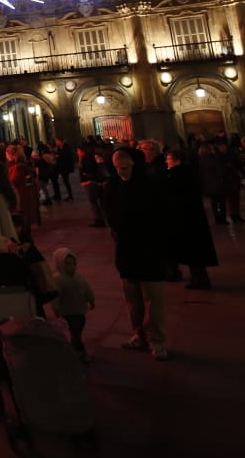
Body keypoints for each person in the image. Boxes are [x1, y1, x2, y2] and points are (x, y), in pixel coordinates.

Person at [105, 149, 171, 360]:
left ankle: (157, 341)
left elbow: (163, 216)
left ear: (135, 165)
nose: (120, 172)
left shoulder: (150, 186)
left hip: (150, 250)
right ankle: (139, 335)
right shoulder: (114, 185)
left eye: (124, 168)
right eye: (116, 168)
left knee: (153, 300)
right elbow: (109, 211)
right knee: (133, 299)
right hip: (126, 250)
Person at [162, 147, 218, 290]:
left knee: (194, 251)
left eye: (168, 159)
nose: (166, 162)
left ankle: (199, 279)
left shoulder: (176, 174)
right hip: (192, 216)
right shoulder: (189, 172)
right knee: (195, 251)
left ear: (177, 160)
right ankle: (198, 278)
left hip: (186, 216)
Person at [50, 247, 96, 360]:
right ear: (60, 264)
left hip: (80, 310)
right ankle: (81, 351)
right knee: (76, 333)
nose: (72, 267)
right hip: (69, 312)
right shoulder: (58, 280)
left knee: (78, 329)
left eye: (74, 264)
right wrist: (56, 308)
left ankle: (73, 349)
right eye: (68, 264)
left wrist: (91, 299)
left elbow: (87, 289)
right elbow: (55, 296)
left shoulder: (78, 277)